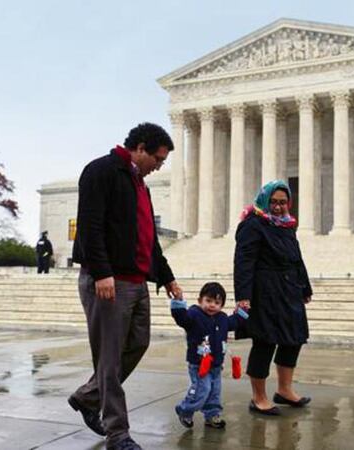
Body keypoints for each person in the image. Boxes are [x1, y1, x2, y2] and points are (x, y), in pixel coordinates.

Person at [68, 122, 183, 450]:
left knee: (138, 343)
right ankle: (117, 433)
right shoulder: (101, 171)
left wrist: (167, 276)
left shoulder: (140, 186)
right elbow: (89, 225)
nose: (159, 166)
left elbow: (149, 239)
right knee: (109, 357)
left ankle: (88, 396)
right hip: (109, 281)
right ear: (141, 148)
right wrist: (102, 272)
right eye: (158, 159)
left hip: (137, 280)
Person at [233, 180, 313, 416]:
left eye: (283, 202)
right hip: (265, 291)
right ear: (265, 200)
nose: (278, 207)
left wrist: (305, 287)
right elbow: (243, 262)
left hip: (289, 290)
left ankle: (284, 390)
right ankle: (258, 397)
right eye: (274, 202)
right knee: (265, 341)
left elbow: (296, 257)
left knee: (294, 338)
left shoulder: (287, 225)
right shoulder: (253, 224)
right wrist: (243, 296)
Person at [170, 282, 248, 429]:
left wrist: (242, 310)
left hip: (216, 365)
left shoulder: (223, 318)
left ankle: (211, 415)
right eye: (209, 301)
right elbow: (181, 318)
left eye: (217, 303)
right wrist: (178, 301)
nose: (212, 305)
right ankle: (185, 409)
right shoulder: (193, 314)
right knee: (202, 390)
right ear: (200, 301)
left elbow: (235, 321)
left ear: (222, 305)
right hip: (199, 364)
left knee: (214, 392)